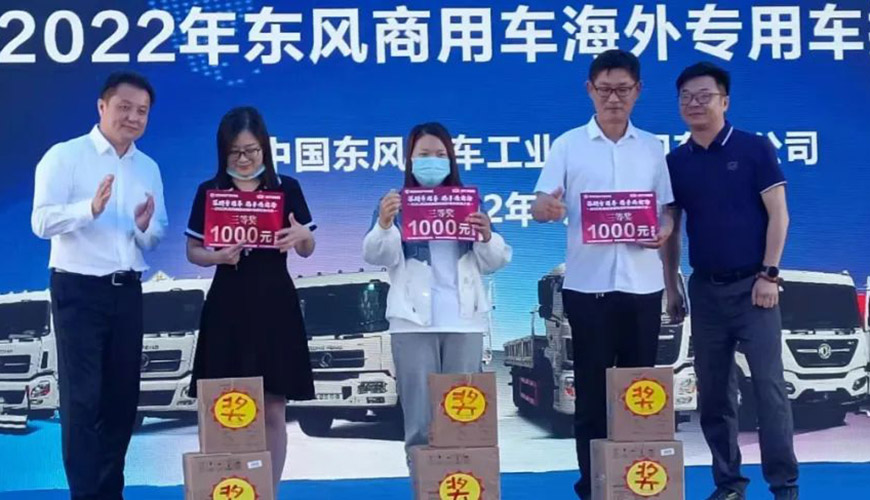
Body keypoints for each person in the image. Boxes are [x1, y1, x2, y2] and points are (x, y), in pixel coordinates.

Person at [530, 49, 675, 500]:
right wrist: (546, 208)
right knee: (591, 396)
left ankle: (637, 483)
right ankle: (592, 485)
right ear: (589, 90)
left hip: (642, 287)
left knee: (639, 396)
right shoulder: (567, 145)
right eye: (605, 89)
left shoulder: (652, 147)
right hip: (587, 287)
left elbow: (668, 209)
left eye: (623, 89)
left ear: (638, 91)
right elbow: (539, 204)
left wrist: (666, 229)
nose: (614, 98)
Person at [663, 62, 798, 500]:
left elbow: (779, 214)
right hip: (705, 290)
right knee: (715, 395)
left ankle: (784, 486)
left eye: (704, 96)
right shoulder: (676, 162)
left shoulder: (754, 148)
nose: (694, 104)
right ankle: (729, 483)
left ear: (725, 101)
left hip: (755, 288)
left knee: (769, 389)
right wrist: (672, 286)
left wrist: (769, 274)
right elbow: (672, 229)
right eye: (686, 97)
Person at [31, 71, 168, 499]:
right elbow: (41, 221)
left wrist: (143, 227)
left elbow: (156, 234)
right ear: (102, 106)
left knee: (121, 401)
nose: (133, 117)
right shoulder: (65, 156)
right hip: (78, 290)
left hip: (127, 291)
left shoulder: (148, 167)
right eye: (124, 107)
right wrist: (88, 209)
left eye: (142, 111)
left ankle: (110, 492)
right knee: (82, 400)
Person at [362, 122, 512, 464]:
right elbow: (377, 256)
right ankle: (425, 486)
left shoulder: (470, 203)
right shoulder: (395, 204)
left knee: (464, 419)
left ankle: (464, 483)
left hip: (463, 322)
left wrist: (487, 236)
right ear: (410, 160)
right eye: (424, 154)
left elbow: (494, 261)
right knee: (420, 424)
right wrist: (384, 224)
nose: (433, 161)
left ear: (451, 160)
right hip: (412, 324)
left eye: (440, 154)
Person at [185, 107, 316, 494]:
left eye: (251, 151)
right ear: (222, 152)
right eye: (235, 152)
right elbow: (193, 250)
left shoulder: (286, 188)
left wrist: (301, 237)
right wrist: (217, 257)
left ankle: (266, 491)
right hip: (227, 304)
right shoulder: (210, 191)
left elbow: (307, 246)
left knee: (274, 406)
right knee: (222, 404)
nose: (243, 159)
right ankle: (224, 488)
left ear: (265, 149)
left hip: (275, 304)